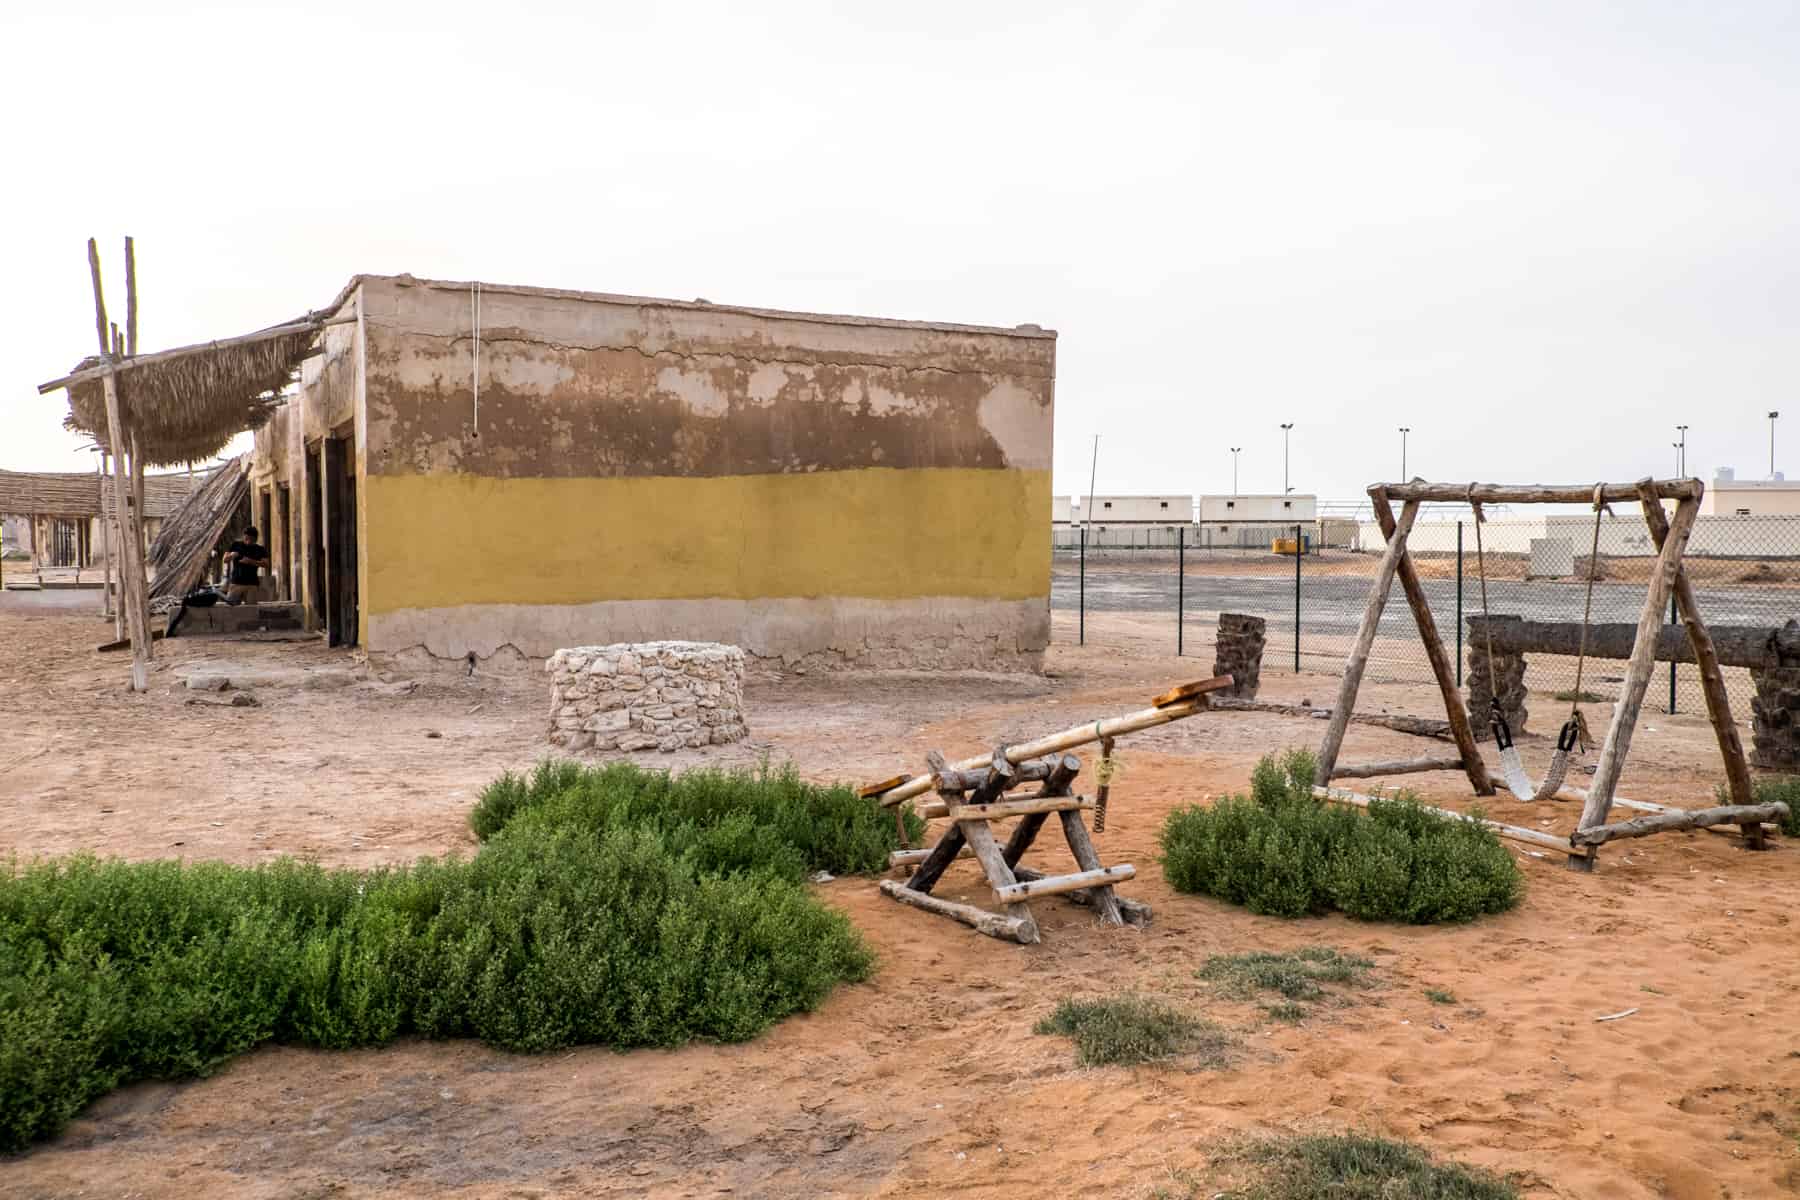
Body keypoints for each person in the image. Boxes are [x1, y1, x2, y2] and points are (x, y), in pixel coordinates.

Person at [223, 526, 270, 605]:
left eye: (251, 539)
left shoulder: (260, 549)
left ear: (255, 539)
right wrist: (232, 556)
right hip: (236, 583)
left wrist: (250, 561)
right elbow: (225, 560)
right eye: (247, 538)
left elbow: (266, 564)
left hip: (252, 584)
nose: (249, 541)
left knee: (252, 610)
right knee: (230, 607)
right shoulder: (235, 545)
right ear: (244, 536)